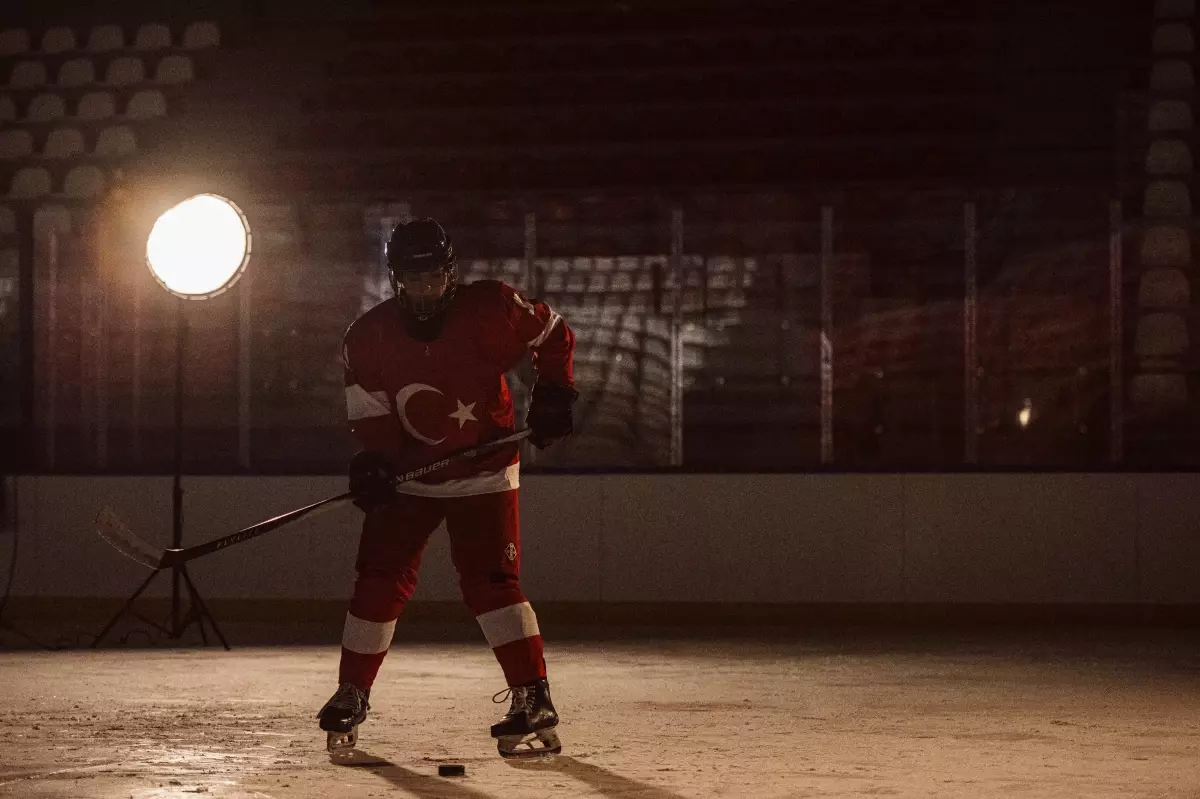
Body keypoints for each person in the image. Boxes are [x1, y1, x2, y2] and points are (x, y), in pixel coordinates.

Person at [318, 218, 577, 759]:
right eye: (415, 279)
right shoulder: (367, 336)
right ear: (396, 279)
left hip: (485, 468)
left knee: (492, 582)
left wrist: (555, 391)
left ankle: (533, 695)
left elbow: (553, 334)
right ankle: (353, 691)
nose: (426, 289)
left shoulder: (491, 308)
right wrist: (374, 461)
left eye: (434, 277)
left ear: (450, 274)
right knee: (379, 578)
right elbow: (370, 412)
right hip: (411, 477)